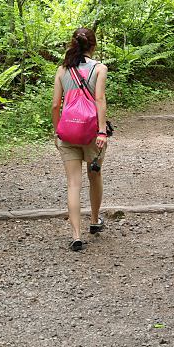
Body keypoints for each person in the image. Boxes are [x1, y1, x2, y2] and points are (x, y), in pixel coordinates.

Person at [51, 27, 109, 251]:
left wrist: (58, 131)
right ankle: (94, 221)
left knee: (73, 184)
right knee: (94, 175)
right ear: (93, 46)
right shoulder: (99, 68)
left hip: (68, 132)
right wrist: (102, 131)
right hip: (92, 133)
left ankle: (76, 235)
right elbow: (100, 99)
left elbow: (56, 104)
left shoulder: (62, 70)